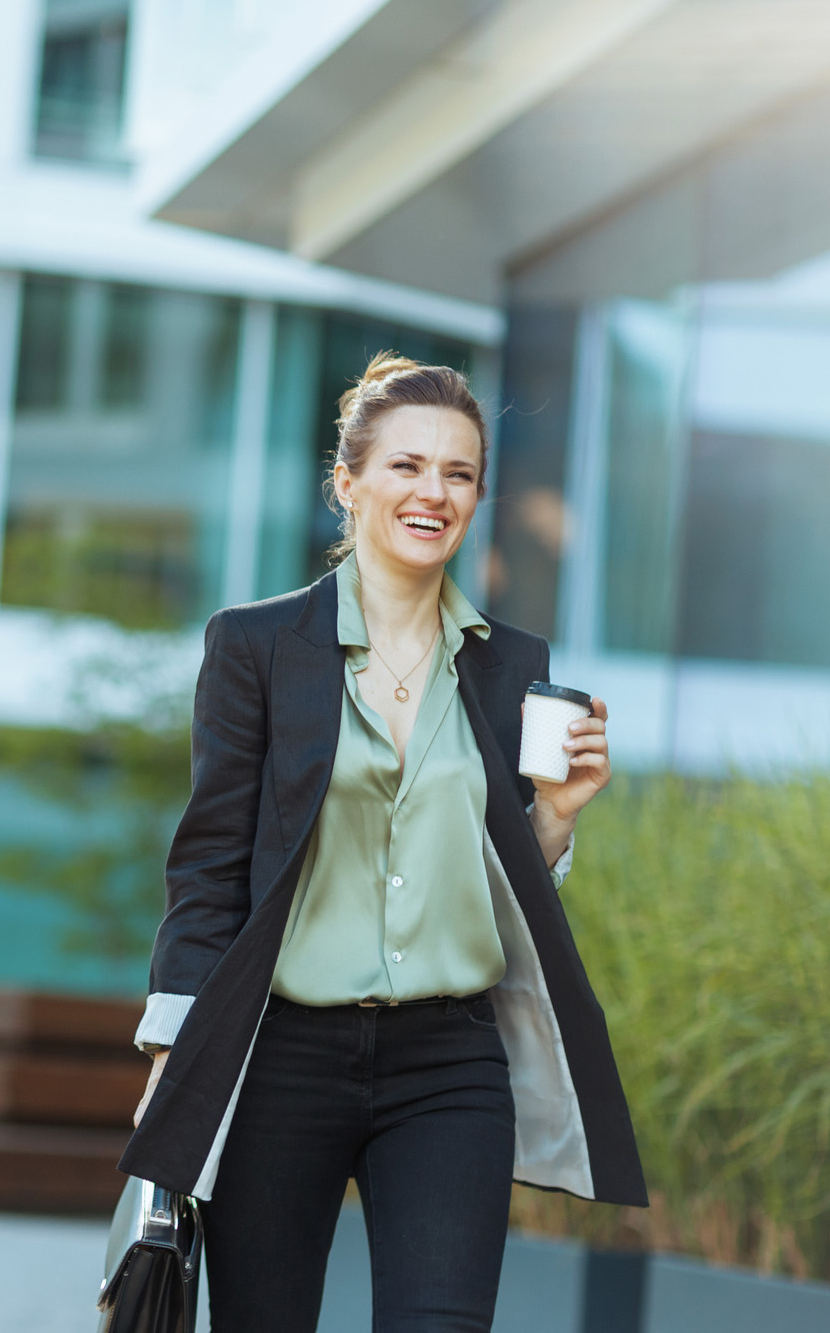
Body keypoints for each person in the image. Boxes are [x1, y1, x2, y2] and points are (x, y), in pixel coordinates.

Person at [121, 355, 644, 1332]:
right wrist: (170, 1061)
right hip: (281, 1055)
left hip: (448, 1064)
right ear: (349, 482)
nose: (432, 493)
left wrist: (559, 814)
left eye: (458, 474)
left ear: (478, 498)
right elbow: (209, 868)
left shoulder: (508, 666)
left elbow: (487, 881)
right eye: (407, 466)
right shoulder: (256, 649)